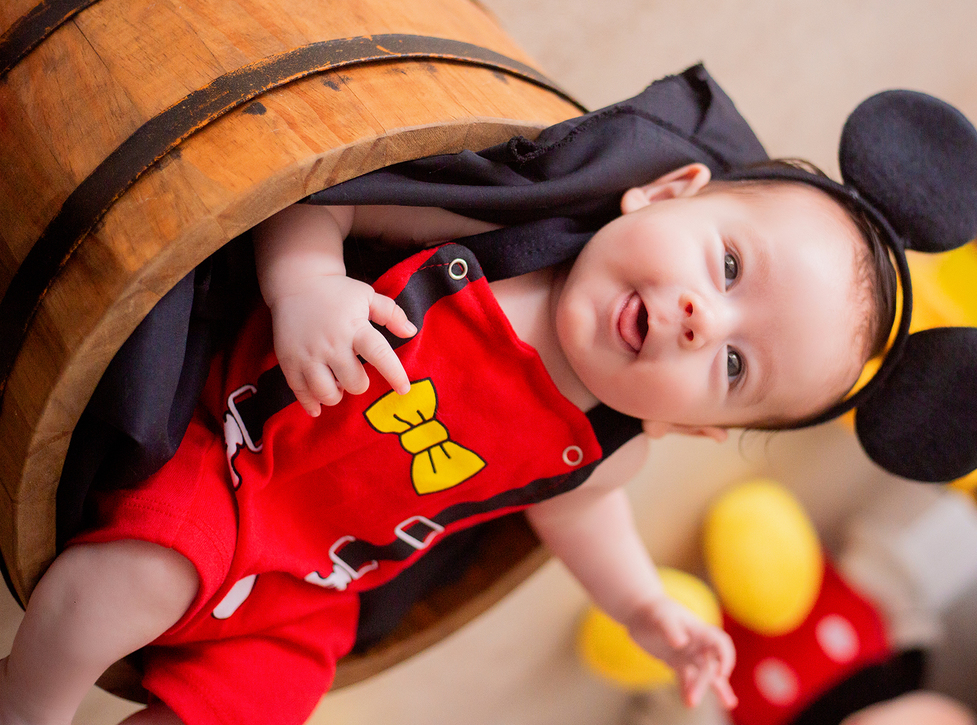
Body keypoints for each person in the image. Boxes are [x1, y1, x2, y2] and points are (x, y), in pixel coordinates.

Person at [0, 158, 894, 725]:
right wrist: (308, 286)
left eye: (735, 367)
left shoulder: (609, 443)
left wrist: (640, 607)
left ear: (694, 426)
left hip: (315, 584)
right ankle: (28, 703)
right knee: (124, 588)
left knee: (262, 705)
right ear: (665, 192)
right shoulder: (511, 243)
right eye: (728, 266)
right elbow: (328, 198)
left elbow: (586, 516)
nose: (705, 319)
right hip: (235, 460)